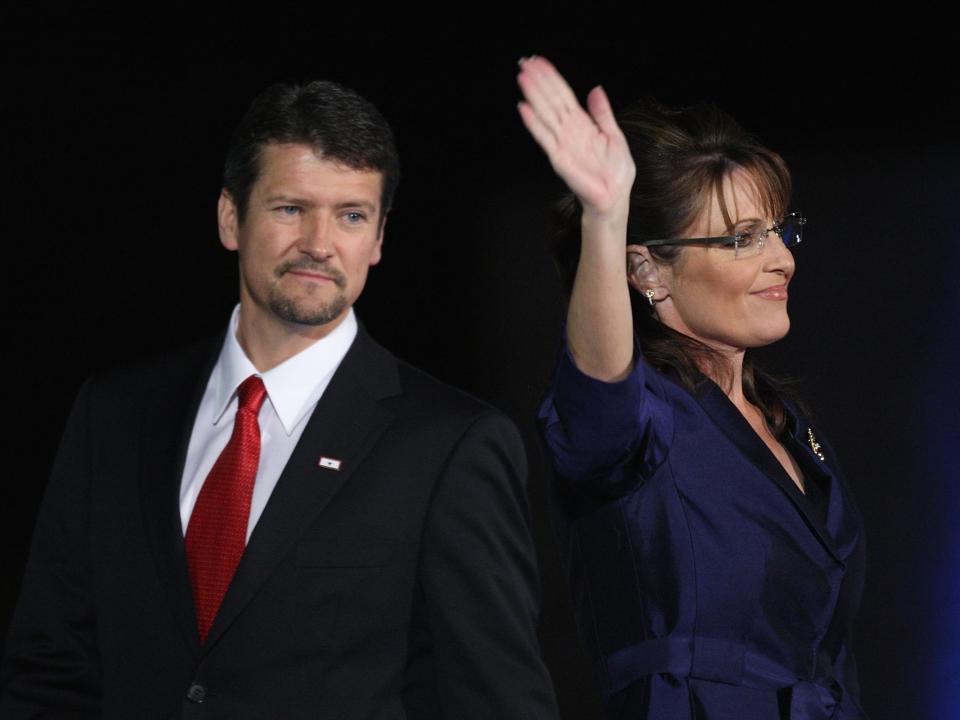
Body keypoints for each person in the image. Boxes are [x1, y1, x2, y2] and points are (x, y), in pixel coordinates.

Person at [2, 79, 559, 720]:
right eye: (291, 208)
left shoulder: (450, 445)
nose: (320, 243)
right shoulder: (115, 414)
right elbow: (49, 667)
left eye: (352, 215)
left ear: (378, 239)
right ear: (230, 218)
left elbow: (497, 703)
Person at [517, 56, 867, 719]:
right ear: (649, 272)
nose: (783, 259)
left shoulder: (788, 423)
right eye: (742, 239)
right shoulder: (639, 422)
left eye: (778, 231)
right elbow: (598, 393)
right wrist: (605, 216)